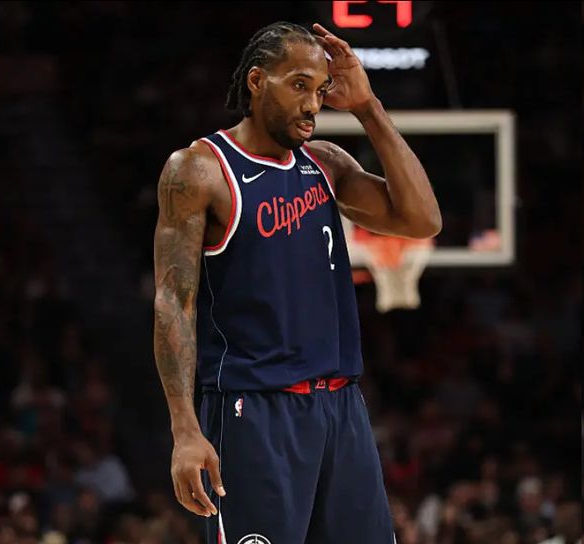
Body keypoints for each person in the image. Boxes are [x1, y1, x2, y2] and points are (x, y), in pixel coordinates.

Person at [153, 21, 441, 544]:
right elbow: (174, 302)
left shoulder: (325, 165)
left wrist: (368, 108)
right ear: (257, 81)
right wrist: (185, 429)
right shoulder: (199, 171)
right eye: (299, 85)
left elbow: (422, 220)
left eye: (321, 90)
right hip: (255, 410)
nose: (313, 104)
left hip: (341, 407)